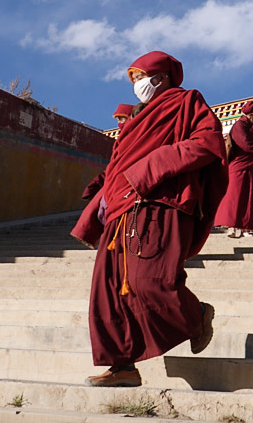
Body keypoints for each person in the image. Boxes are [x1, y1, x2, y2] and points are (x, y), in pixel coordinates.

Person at [69, 51, 227, 387]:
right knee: (107, 293)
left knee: (150, 281)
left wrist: (148, 169)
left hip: (158, 203)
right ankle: (122, 365)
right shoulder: (137, 118)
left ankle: (195, 315)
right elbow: (117, 166)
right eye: (134, 79)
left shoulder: (187, 102)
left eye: (142, 76)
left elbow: (207, 144)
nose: (138, 85)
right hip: (119, 210)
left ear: (162, 76)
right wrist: (102, 201)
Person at [216, 100, 253, 238]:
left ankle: (246, 227)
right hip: (238, 166)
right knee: (235, 197)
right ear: (252, 114)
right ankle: (232, 227)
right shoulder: (239, 125)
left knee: (250, 198)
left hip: (252, 166)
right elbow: (247, 145)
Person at [81, 103, 137, 201]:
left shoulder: (135, 137)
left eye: (121, 119)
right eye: (117, 119)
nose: (119, 123)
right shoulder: (120, 140)